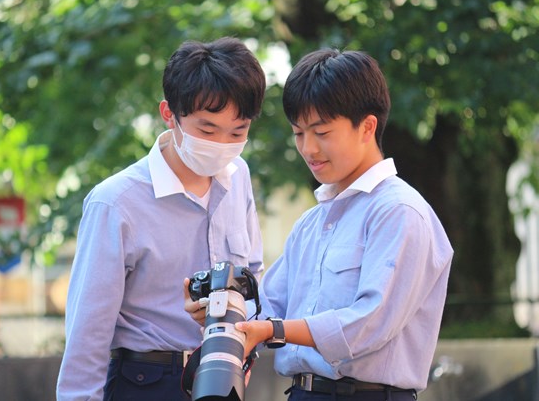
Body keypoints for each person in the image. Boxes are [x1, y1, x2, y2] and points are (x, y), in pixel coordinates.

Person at [186, 48, 453, 400]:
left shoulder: (399, 212)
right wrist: (221, 313)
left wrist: (272, 330)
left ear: (367, 127)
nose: (309, 149)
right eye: (298, 134)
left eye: (322, 132)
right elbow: (269, 305)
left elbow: (369, 324)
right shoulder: (312, 223)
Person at [56, 37, 266, 401]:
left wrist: (237, 328)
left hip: (224, 373)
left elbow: (254, 274)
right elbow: (88, 331)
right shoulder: (116, 203)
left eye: (238, 131)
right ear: (169, 114)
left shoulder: (239, 176)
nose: (222, 144)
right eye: (207, 130)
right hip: (145, 380)